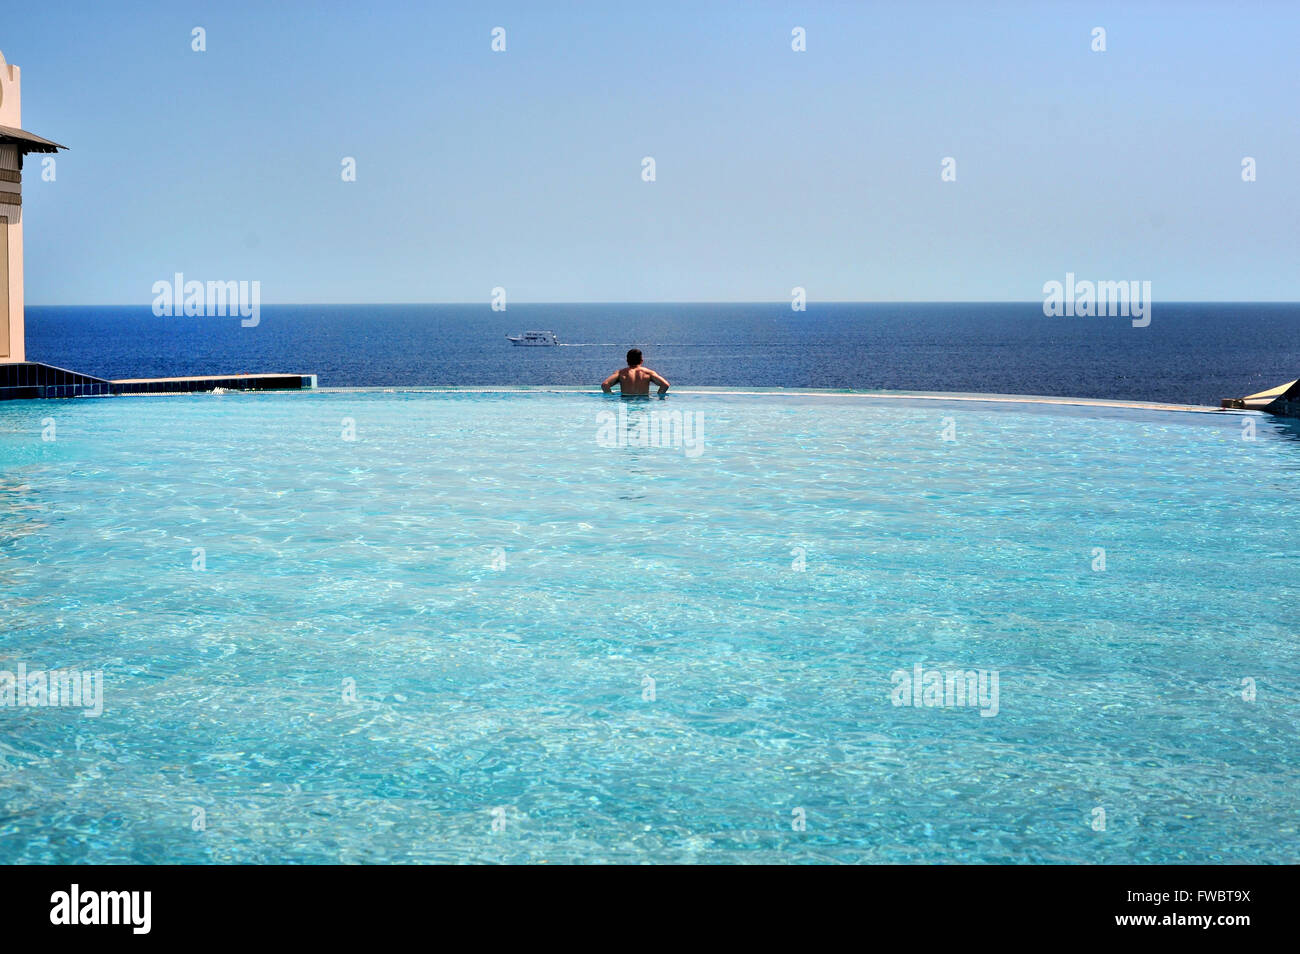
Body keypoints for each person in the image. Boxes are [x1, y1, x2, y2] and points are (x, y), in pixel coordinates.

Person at [602, 349, 669, 396]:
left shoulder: (620, 373)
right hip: (643, 401)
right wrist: (659, 396)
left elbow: (605, 384)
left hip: (626, 401)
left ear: (627, 361)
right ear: (641, 361)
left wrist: (610, 397)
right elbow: (665, 384)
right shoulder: (648, 373)